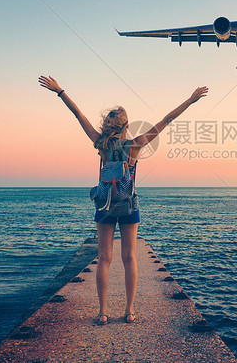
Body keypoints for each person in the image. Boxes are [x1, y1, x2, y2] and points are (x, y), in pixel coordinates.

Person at [38, 75, 208, 325]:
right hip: (129, 205)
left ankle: (103, 312)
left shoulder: (100, 143)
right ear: (126, 125)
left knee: (104, 257)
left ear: (109, 125)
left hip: (105, 205)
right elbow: (167, 120)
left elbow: (78, 115)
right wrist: (191, 100)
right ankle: (129, 311)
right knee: (129, 258)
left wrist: (60, 91)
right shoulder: (136, 145)